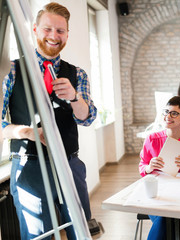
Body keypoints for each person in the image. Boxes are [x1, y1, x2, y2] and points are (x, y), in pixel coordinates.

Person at [2, 3, 97, 239]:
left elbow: (87, 118)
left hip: (70, 164)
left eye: (60, 31)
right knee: (38, 235)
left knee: (81, 231)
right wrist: (27, 132)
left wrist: (75, 98)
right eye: (47, 29)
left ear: (67, 34)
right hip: (29, 167)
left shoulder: (78, 74)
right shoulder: (12, 71)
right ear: (34, 29)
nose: (54, 36)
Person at [139, 96, 180, 239]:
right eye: (166, 112)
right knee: (163, 218)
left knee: (166, 219)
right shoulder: (151, 139)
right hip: (158, 191)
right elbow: (142, 167)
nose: (168, 116)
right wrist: (149, 167)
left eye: (174, 113)